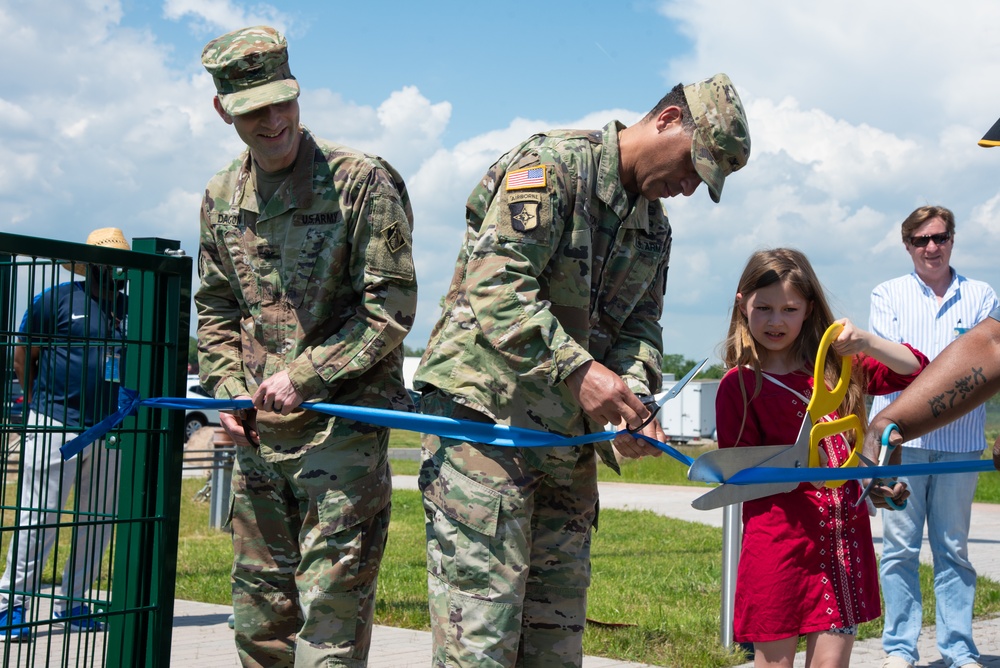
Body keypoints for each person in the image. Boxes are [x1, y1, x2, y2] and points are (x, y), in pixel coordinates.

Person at [413, 73, 751, 667]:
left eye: (705, 182)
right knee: (481, 645)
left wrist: (636, 398)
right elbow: (496, 283)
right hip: (486, 428)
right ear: (668, 119)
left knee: (554, 645)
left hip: (567, 446)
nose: (690, 188)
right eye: (694, 166)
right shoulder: (552, 167)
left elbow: (641, 328)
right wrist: (579, 373)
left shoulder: (654, 228)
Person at [196, 26, 417, 666]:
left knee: (331, 627)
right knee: (258, 620)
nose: (273, 121)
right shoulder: (219, 197)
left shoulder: (360, 182)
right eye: (253, 109)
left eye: (282, 102)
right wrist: (226, 392)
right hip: (259, 445)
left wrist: (306, 377)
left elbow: (391, 308)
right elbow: (214, 307)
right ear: (223, 110)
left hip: (340, 440)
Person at [715, 248, 927, 668]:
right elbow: (740, 474)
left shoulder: (838, 367)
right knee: (774, 663)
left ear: (809, 309)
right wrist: (804, 472)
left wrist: (865, 341)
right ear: (743, 305)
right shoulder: (739, 385)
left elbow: (915, 370)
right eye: (765, 308)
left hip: (840, 541)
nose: (776, 321)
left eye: (790, 309)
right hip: (778, 544)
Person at [867, 206, 998, 668]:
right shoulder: (888, 293)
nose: (931, 248)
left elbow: (988, 362)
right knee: (900, 548)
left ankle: (959, 648)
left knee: (954, 549)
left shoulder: (982, 295)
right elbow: (892, 366)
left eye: (940, 238)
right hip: (900, 444)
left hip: (961, 442)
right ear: (907, 245)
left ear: (953, 240)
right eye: (921, 240)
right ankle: (899, 648)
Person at [0, 227, 129, 641]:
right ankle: (10, 604)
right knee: (40, 519)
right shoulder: (55, 299)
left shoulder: (133, 307)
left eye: (119, 263)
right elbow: (25, 355)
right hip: (55, 424)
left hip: (111, 429)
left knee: (99, 521)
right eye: (104, 263)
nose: (112, 270)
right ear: (88, 265)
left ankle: (73, 602)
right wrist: (39, 408)